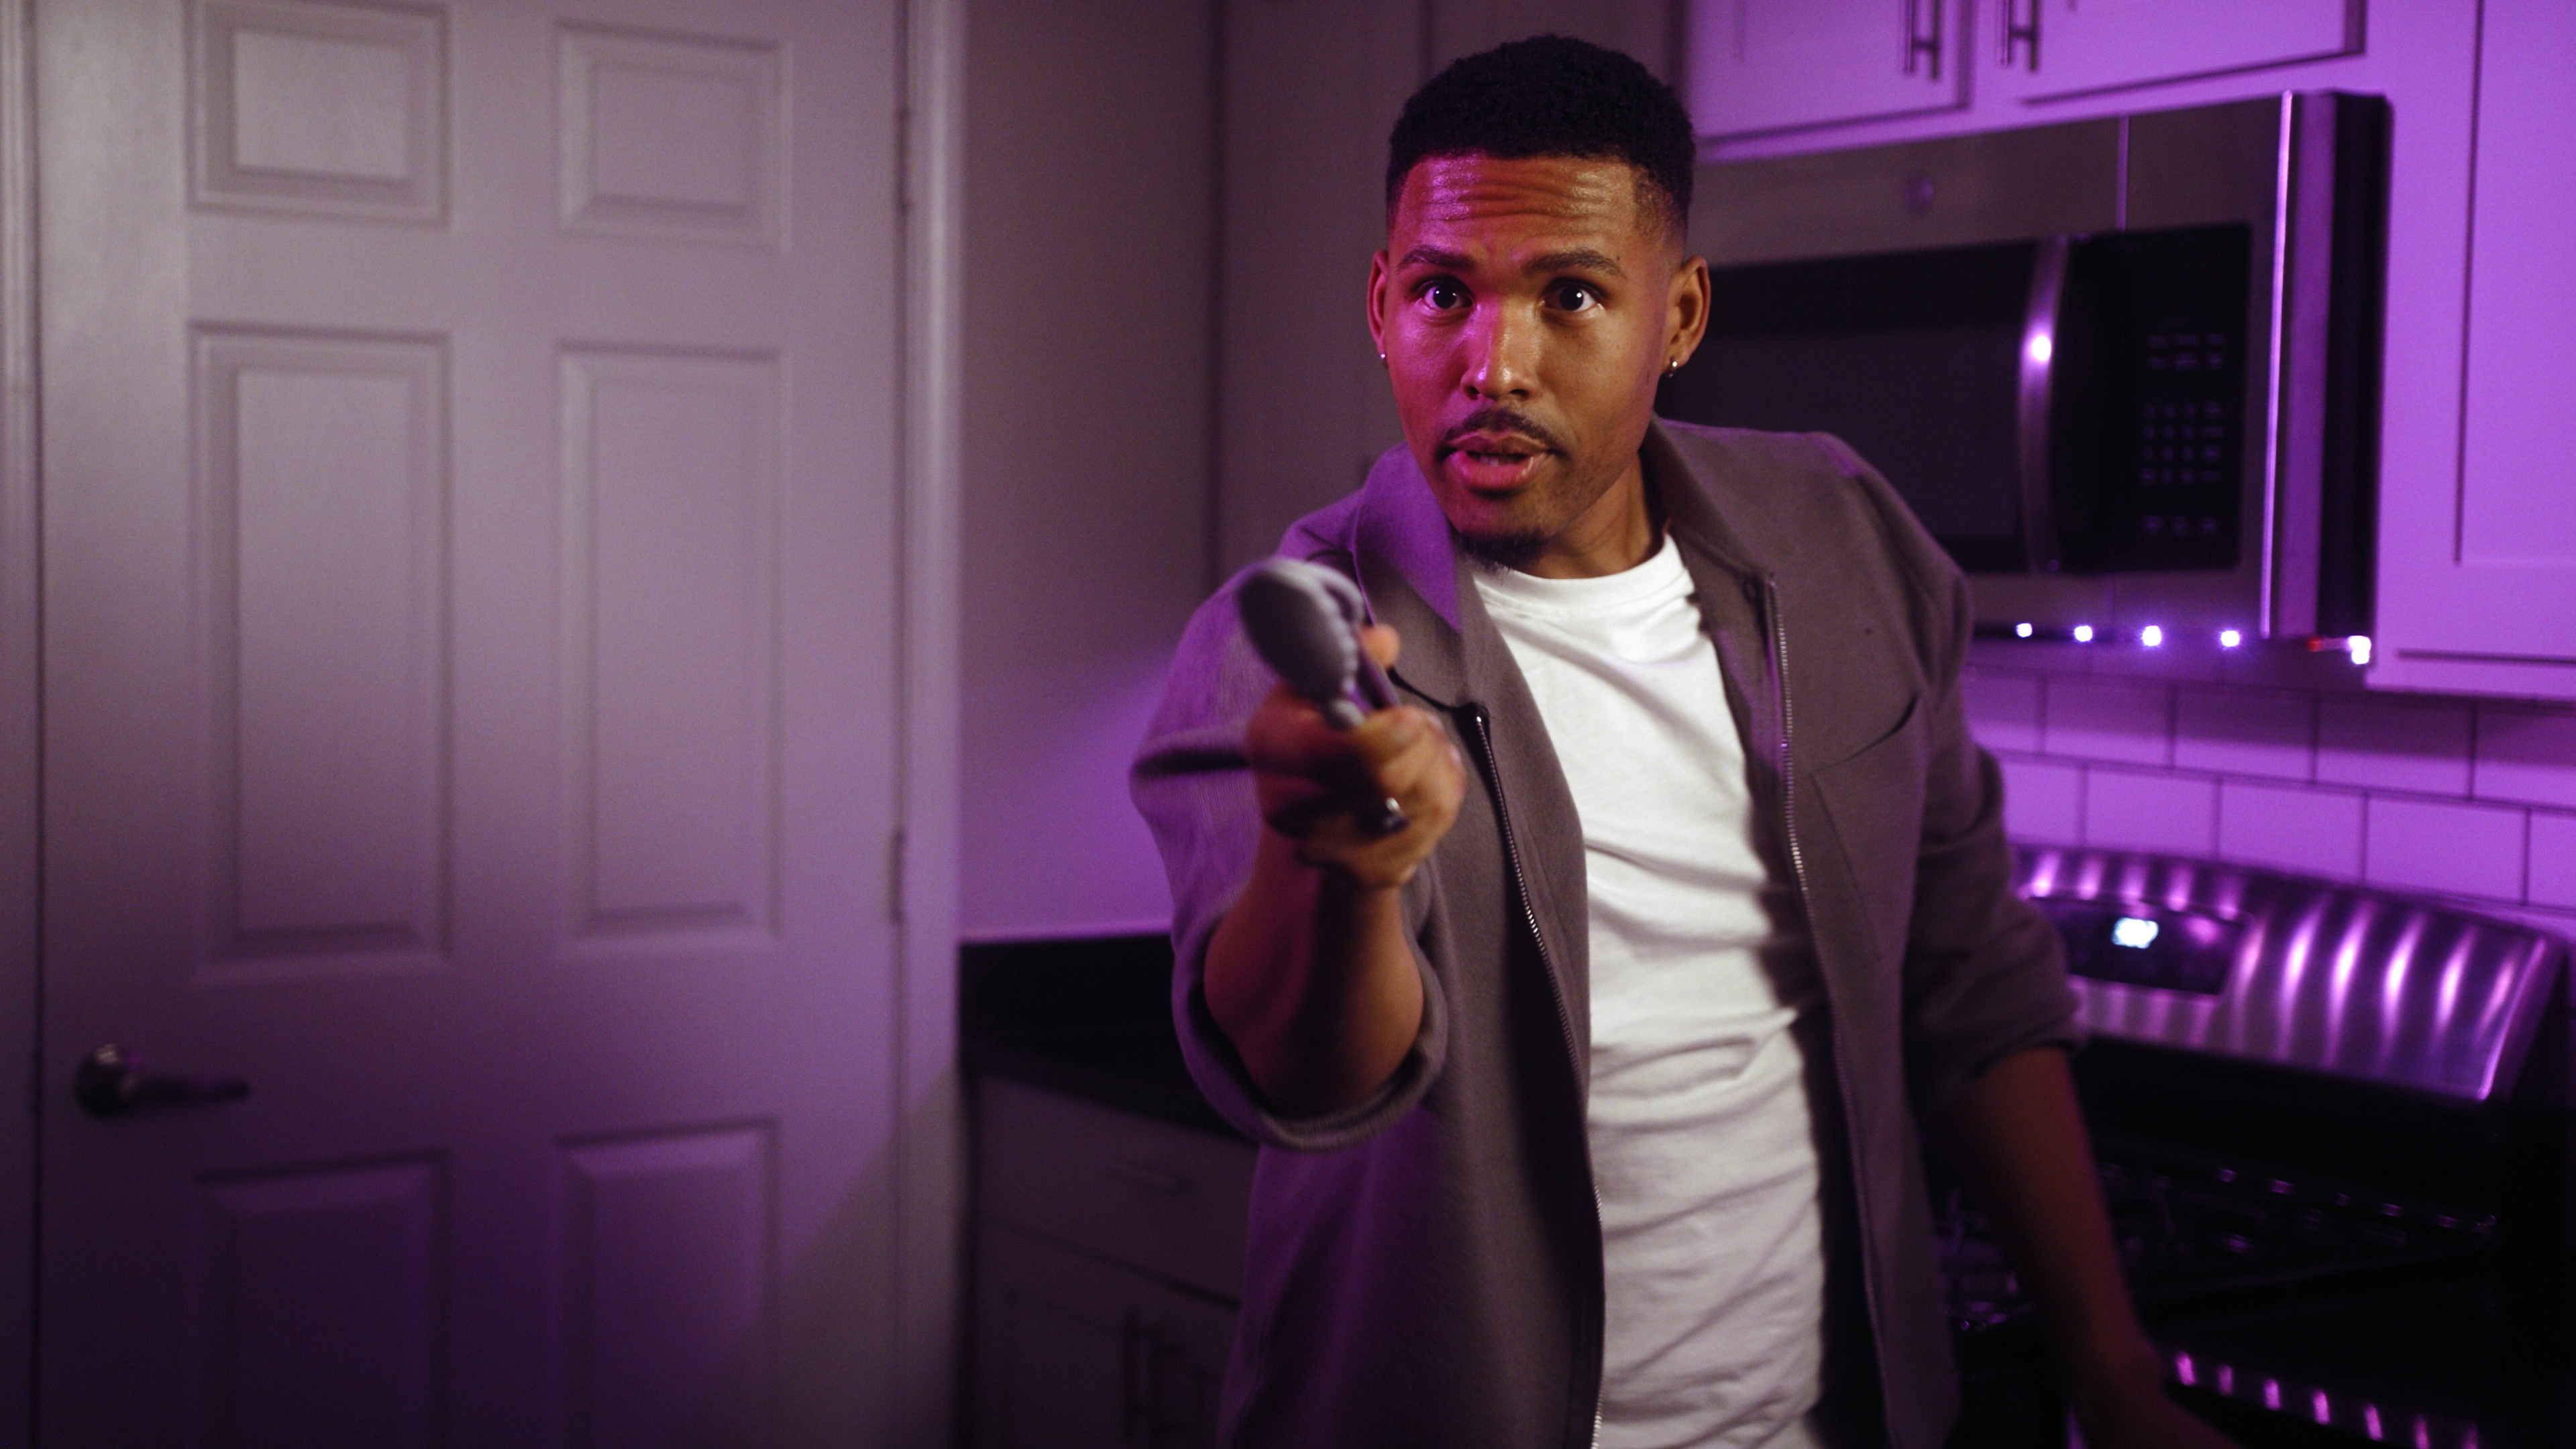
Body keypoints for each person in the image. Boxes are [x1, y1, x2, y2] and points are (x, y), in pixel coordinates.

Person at [1131, 36, 2237, 1449]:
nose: (1494, 366)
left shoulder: (1845, 541)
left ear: (1682, 315)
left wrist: (2113, 1376)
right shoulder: (1291, 657)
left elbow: (1971, 986)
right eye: (1444, 293)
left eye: (1573, 295)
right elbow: (1309, 1083)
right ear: (1381, 305)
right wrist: (1337, 870)